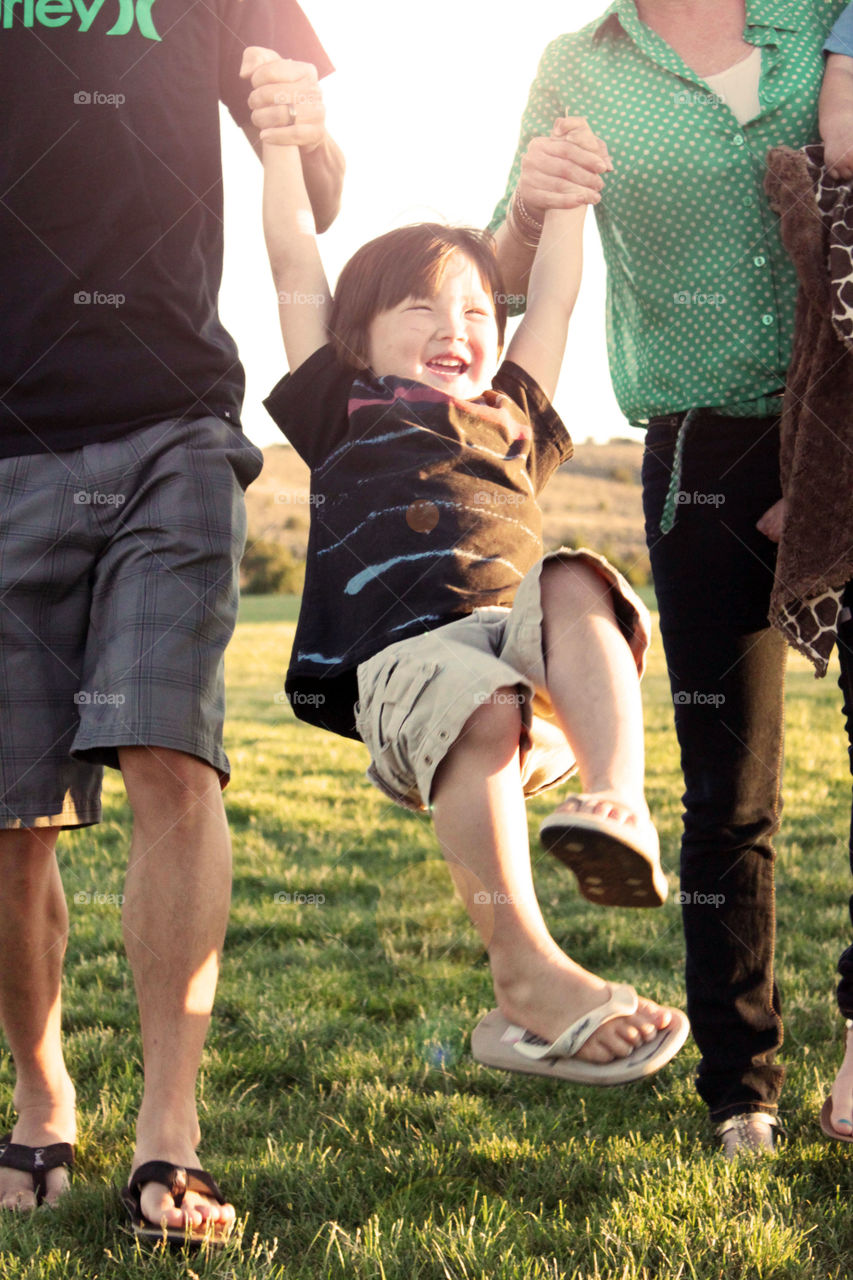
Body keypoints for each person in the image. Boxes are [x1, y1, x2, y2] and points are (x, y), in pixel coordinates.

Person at [242, 47, 690, 1087]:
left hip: (526, 671)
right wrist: (277, 145)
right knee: (475, 690)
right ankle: (527, 977)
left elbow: (561, 302)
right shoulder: (336, 403)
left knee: (579, 577)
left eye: (479, 314)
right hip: (412, 676)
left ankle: (616, 802)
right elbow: (290, 261)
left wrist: (570, 196)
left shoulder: (514, 415)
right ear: (359, 337)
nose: (460, 329)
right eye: (423, 311)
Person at [0, 0, 343, 1242]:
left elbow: (320, 177)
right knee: (12, 817)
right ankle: (43, 1088)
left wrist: (302, 128)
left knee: (168, 753)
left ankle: (169, 1137)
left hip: (176, 420)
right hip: (7, 438)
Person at [490, 0, 847, 1155]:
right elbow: (497, 268)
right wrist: (537, 196)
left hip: (842, 423)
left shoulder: (822, 23)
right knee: (726, 788)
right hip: (703, 452)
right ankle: (742, 1085)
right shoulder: (572, 66)